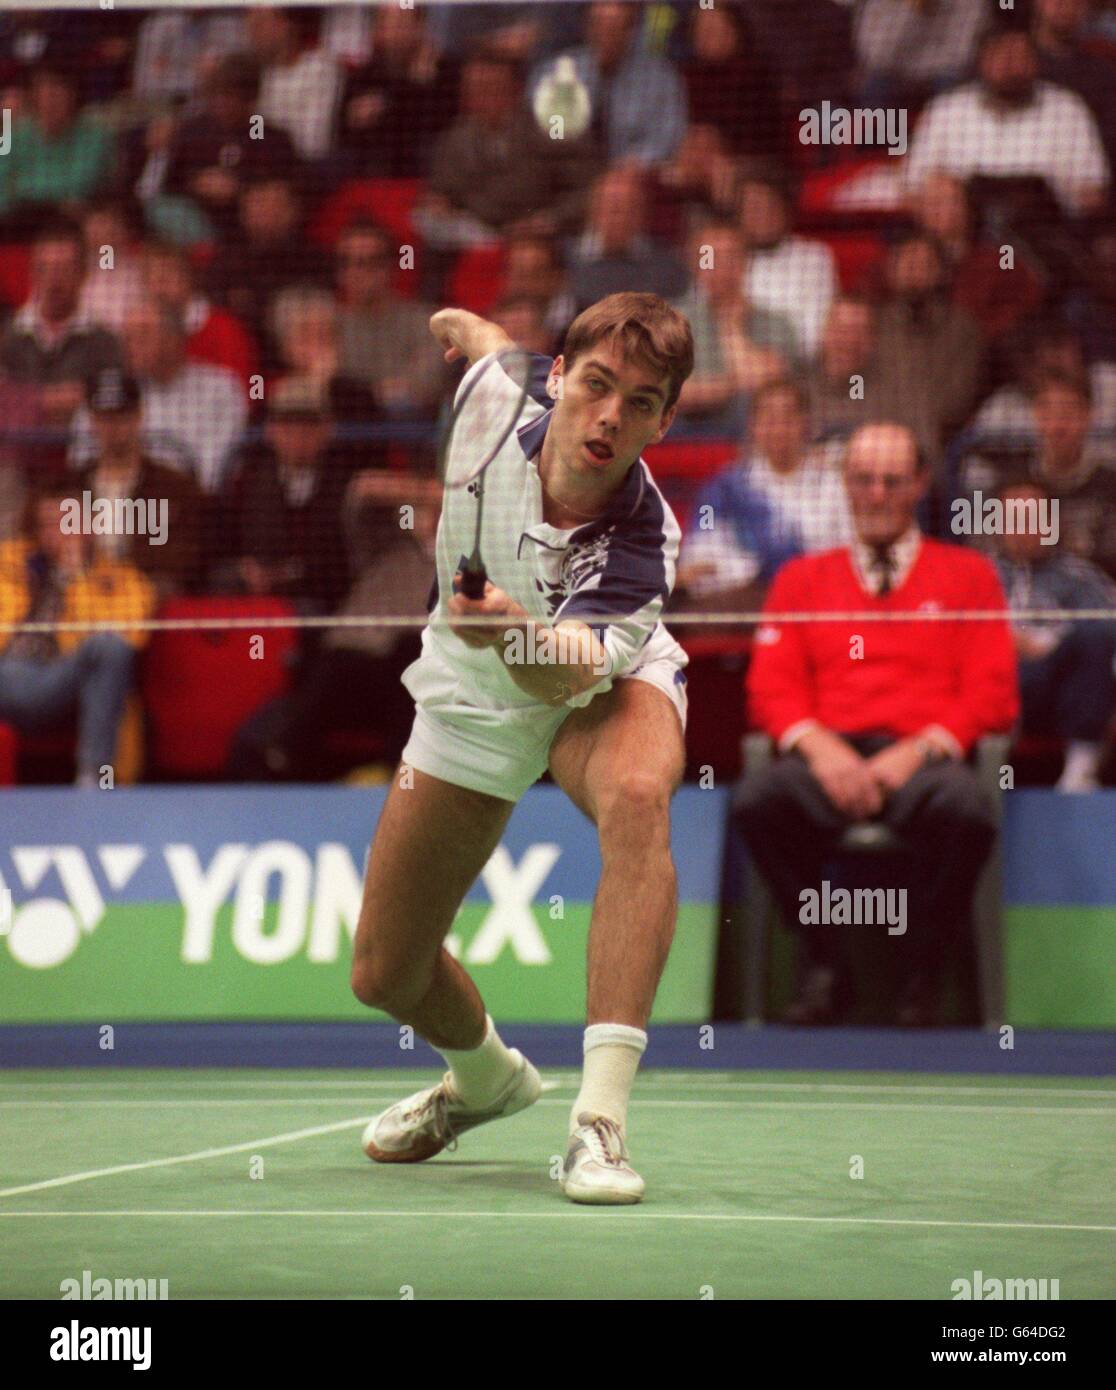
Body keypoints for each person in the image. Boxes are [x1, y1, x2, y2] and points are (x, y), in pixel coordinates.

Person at [354, 292, 695, 1205]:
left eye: (643, 401)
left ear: (664, 423)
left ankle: (600, 1123)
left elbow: (567, 674)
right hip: (471, 691)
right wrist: (456, 325)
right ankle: (487, 1079)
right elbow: (486, 348)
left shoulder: (643, 539)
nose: (612, 415)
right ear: (558, 379)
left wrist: (510, 631)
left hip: (587, 681)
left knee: (635, 796)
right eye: (597, 384)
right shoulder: (496, 399)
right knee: (385, 970)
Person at [736, 423, 1019, 1026]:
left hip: (923, 762)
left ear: (919, 484)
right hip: (826, 756)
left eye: (893, 480)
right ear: (845, 485)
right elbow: (769, 688)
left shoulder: (970, 576)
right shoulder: (800, 579)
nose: (877, 494)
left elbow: (993, 695)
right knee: (758, 802)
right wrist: (821, 749)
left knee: (967, 814)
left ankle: (922, 975)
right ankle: (825, 963)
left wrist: (913, 754)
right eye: (863, 480)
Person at [0, 477, 155, 787]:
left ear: (91, 526)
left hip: (63, 681)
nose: (55, 533)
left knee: (110, 648)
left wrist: (76, 578)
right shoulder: (9, 562)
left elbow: (129, 639)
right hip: (7, 674)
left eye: (66, 522)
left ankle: (92, 779)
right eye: (47, 524)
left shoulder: (122, 580)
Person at [902, 26, 1109, 218]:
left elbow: (1094, 190)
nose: (1012, 67)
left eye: (1021, 56)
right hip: (964, 237)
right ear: (982, 61)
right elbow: (912, 187)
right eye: (1002, 55)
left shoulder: (1067, 108)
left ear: (1036, 62)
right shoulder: (947, 109)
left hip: (1048, 231)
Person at [676, 380, 852, 605]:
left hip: (816, 601)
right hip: (745, 604)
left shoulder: (833, 486)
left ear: (806, 424)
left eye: (788, 418)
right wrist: (755, 568)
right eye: (768, 419)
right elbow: (698, 564)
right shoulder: (726, 489)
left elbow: (844, 559)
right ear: (753, 426)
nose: (778, 428)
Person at [991, 479, 1116, 792]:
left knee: (1095, 632)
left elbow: (1106, 630)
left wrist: (1048, 645)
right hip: (994, 680)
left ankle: (1080, 771)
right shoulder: (977, 572)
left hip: (1060, 686)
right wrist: (1005, 640)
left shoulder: (1081, 576)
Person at [960, 371, 1116, 581]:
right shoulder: (1009, 481)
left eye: (1068, 413)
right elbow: (981, 553)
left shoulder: (1109, 486)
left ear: (1089, 414)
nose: (1057, 426)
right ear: (1035, 414)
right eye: (1047, 411)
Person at [71, 368, 204, 596]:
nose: (112, 427)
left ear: (139, 416)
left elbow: (190, 553)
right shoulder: (71, 485)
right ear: (92, 420)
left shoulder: (173, 487)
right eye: (104, 417)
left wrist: (127, 577)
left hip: (144, 595)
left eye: (122, 416)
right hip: (80, 594)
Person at [670, 218, 796, 438]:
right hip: (682, 429)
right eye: (709, 258)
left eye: (729, 258)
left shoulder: (777, 323)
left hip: (747, 433)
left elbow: (769, 386)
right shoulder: (672, 320)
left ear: (744, 264)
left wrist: (731, 328)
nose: (718, 267)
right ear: (695, 265)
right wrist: (730, 386)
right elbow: (667, 392)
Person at [529, 1, 687, 168]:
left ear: (631, 31)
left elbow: (667, 137)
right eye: (598, 27)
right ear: (587, 28)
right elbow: (535, 130)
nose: (604, 37)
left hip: (630, 176)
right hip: (564, 171)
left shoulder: (660, 78)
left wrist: (633, 164)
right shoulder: (554, 71)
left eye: (614, 29)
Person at [0, 222, 122, 428]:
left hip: (84, 449)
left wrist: (25, 398)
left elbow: (110, 399)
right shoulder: (7, 335)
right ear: (32, 274)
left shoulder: (105, 341)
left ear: (82, 274)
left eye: (64, 269)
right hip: (17, 449)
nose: (53, 280)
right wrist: (51, 399)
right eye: (44, 269)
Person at [736, 176, 837, 360]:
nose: (761, 216)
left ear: (785, 210)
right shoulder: (728, 259)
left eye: (769, 207)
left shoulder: (815, 257)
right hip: (740, 367)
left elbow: (815, 334)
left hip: (798, 368)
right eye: (752, 208)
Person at [802, 296, 880, 442]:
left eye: (858, 331)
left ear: (872, 340)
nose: (850, 341)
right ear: (825, 333)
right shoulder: (799, 387)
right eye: (842, 330)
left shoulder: (888, 394)